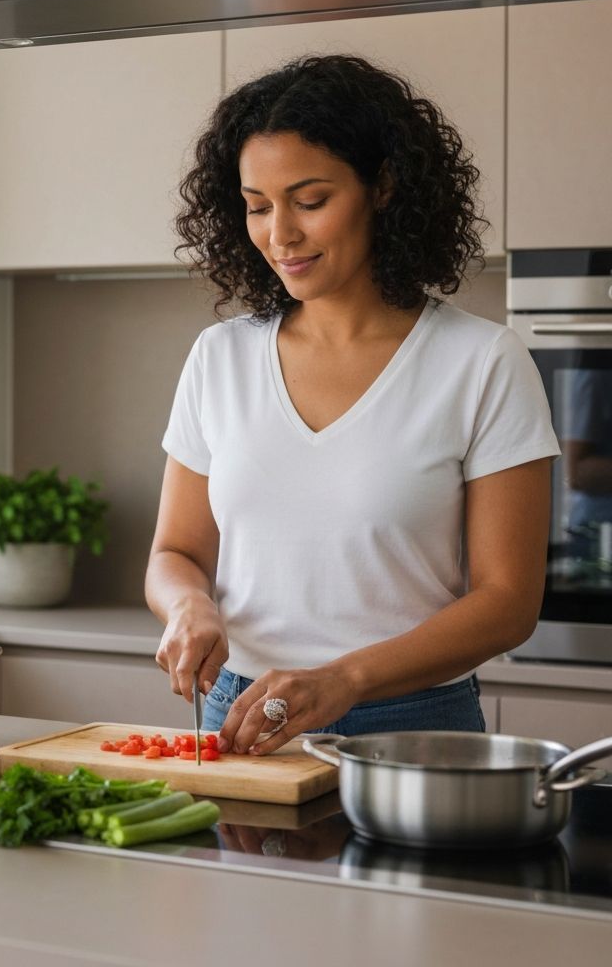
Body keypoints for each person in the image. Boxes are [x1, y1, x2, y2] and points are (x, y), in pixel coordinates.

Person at [146, 54, 561, 757]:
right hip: (241, 718)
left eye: (310, 201)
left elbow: (508, 601)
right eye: (257, 206)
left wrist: (344, 679)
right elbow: (176, 551)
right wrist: (189, 606)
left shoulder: (482, 361)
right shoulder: (220, 357)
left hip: (415, 729)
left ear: (385, 187)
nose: (281, 234)